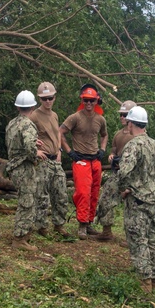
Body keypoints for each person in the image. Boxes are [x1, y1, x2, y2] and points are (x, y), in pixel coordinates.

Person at [117, 106, 155, 293]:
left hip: (136, 201)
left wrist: (123, 190)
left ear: (131, 123)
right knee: (152, 240)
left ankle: (145, 285)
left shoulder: (133, 146)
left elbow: (123, 171)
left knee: (138, 241)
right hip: (152, 201)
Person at [59, 84, 108, 239]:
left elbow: (104, 135)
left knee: (94, 193)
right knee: (82, 193)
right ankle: (81, 224)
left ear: (96, 101)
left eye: (91, 100)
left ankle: (89, 223)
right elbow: (60, 132)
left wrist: (103, 149)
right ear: (82, 100)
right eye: (86, 100)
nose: (88, 103)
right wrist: (69, 151)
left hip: (95, 160)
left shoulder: (100, 119)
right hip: (80, 160)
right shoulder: (75, 117)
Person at [30, 81, 71, 238]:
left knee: (60, 194)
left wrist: (60, 149)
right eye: (44, 98)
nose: (48, 101)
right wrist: (35, 150)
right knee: (42, 196)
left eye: (50, 98)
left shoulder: (54, 115)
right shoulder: (34, 116)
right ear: (40, 99)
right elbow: (26, 135)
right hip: (43, 161)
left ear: (54, 97)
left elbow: (58, 133)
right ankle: (41, 226)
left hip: (55, 160)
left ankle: (59, 224)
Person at [4, 90, 44, 251]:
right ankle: (19, 238)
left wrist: (33, 144)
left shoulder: (12, 123)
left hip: (14, 166)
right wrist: (36, 152)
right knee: (27, 201)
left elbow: (16, 143)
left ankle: (24, 233)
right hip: (23, 167)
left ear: (18, 107)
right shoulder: (28, 124)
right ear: (33, 107)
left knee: (25, 199)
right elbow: (28, 145)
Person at [92, 99, 136, 241]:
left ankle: (132, 236)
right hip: (117, 173)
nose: (122, 117)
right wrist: (112, 156)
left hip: (132, 175)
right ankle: (106, 231)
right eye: (121, 115)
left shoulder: (137, 136)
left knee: (132, 205)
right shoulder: (118, 134)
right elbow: (114, 150)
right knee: (106, 198)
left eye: (125, 114)